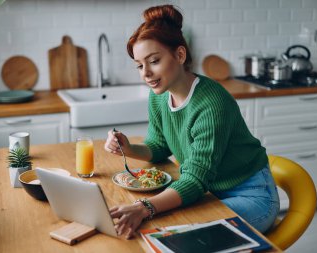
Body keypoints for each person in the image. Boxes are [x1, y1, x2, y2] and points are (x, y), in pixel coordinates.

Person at [104, 4, 280, 239]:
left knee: (178, 229)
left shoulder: (212, 103)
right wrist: (129, 148)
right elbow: (158, 146)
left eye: (153, 61)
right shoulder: (159, 96)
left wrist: (144, 207)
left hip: (252, 195)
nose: (145, 73)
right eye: (139, 65)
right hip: (211, 191)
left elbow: (196, 179)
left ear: (179, 55)